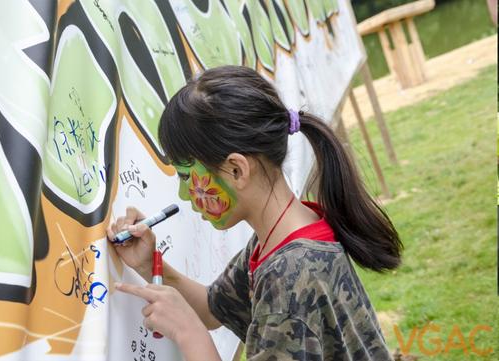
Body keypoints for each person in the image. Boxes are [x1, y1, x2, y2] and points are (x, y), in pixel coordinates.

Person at [107, 65, 402, 361]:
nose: (184, 195)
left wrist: (188, 332)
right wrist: (150, 264)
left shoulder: (289, 274)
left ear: (237, 170)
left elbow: (202, 322)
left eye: (186, 176)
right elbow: (213, 308)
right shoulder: (282, 237)